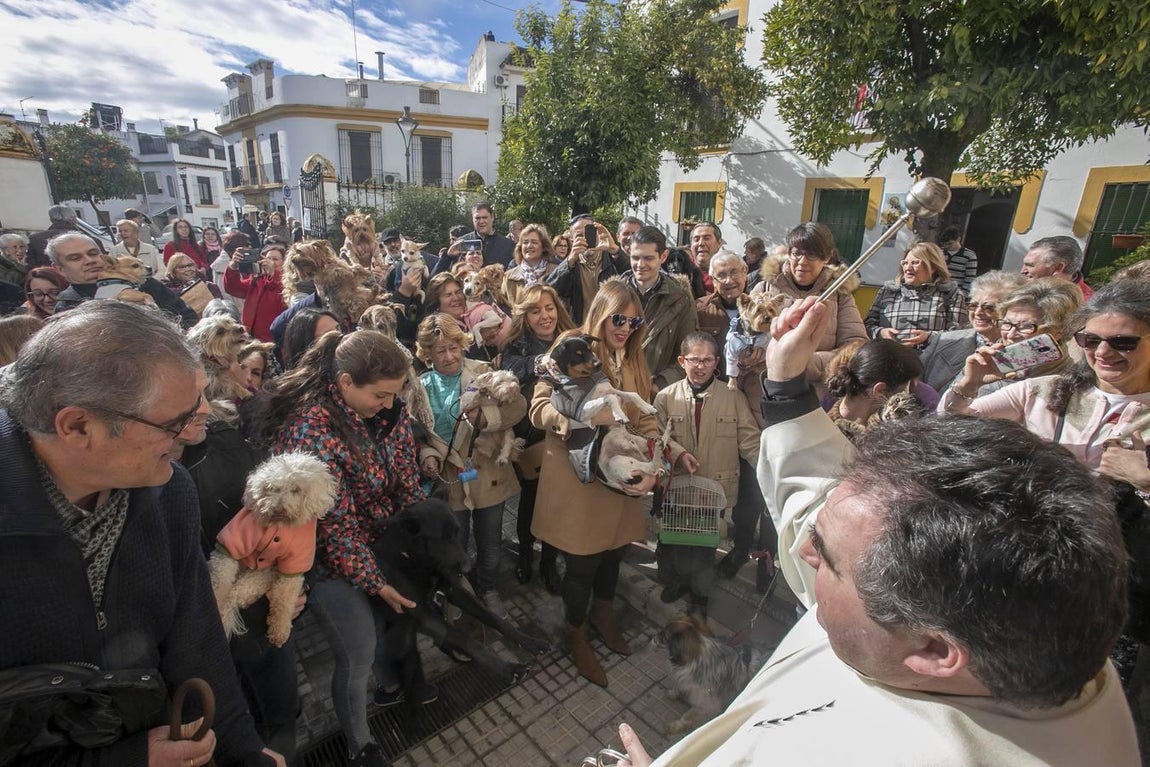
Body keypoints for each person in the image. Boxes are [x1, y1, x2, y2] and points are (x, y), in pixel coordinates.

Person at [615, 294, 1137, 766]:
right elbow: (821, 502)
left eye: (828, 557)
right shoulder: (946, 613)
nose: (799, 549)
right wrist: (785, 382)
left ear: (934, 651)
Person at [0, 300, 285, 766]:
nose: (202, 419)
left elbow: (197, 644)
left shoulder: (168, 492)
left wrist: (245, 754)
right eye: (176, 419)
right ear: (77, 426)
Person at [256, 329, 432, 767]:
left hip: (376, 538)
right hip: (324, 561)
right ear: (345, 383)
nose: (389, 405)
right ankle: (360, 745)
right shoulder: (311, 431)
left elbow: (406, 471)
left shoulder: (385, 410)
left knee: (385, 625)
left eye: (396, 394)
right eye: (381, 395)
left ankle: (390, 686)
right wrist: (375, 581)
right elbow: (334, 528)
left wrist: (417, 531)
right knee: (356, 648)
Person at [530, 280, 662, 687]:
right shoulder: (571, 345)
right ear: (601, 313)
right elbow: (538, 407)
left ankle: (603, 617)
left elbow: (645, 417)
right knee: (582, 564)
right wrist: (578, 422)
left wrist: (655, 458)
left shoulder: (635, 358)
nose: (624, 328)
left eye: (632, 321)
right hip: (579, 479)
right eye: (617, 318)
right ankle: (576, 632)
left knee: (613, 554)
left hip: (619, 480)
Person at [415, 314, 525, 619]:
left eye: (454, 347)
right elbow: (417, 433)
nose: (449, 356)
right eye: (440, 350)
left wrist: (489, 421)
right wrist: (426, 455)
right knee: (455, 545)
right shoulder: (418, 387)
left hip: (487, 470)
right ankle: (458, 594)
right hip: (449, 478)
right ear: (427, 354)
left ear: (463, 345)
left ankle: (487, 588)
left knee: (491, 545)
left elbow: (519, 406)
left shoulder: (483, 372)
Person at [654, 332, 759, 618]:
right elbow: (656, 439)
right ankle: (676, 582)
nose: (700, 366)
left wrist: (768, 469)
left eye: (707, 360)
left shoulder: (733, 397)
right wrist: (677, 453)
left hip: (715, 489)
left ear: (717, 363)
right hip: (677, 487)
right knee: (675, 539)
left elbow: (750, 441)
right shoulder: (665, 397)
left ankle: (700, 598)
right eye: (694, 360)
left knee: (705, 547)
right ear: (681, 361)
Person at [499, 284, 576, 591]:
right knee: (531, 499)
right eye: (535, 310)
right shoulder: (518, 344)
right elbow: (509, 369)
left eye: (549, 308)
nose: (544, 316)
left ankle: (549, 563)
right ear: (525, 316)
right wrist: (537, 363)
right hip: (531, 436)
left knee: (558, 502)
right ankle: (525, 556)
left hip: (565, 433)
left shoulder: (571, 338)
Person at [751, 223, 867, 394]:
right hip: (765, 389)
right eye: (797, 253)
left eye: (812, 255)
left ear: (827, 257)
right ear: (789, 253)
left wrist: (808, 362)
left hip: (814, 393)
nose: (802, 261)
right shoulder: (764, 288)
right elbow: (743, 332)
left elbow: (855, 347)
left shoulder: (840, 295)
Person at [941, 277, 1080, 398]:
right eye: (1007, 323)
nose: (1011, 335)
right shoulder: (986, 360)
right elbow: (945, 415)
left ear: (1057, 332)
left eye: (1025, 326)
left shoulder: (1067, 381)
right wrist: (968, 385)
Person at [52, 233, 198, 329]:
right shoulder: (67, 305)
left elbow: (188, 318)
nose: (89, 261)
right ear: (60, 269)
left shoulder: (145, 283)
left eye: (93, 253)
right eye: (76, 258)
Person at [917, 270, 1026, 391]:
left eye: (989, 307)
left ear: (1013, 310)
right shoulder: (943, 341)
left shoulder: (1021, 353)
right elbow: (911, 384)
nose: (978, 312)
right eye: (973, 305)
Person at [626, 226, 698, 389]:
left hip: (657, 394)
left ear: (663, 256)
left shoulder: (681, 300)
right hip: (615, 390)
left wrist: (659, 384)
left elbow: (689, 354)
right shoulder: (612, 295)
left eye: (648, 258)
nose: (640, 265)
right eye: (635, 257)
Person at [864, 240, 969, 345]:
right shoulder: (888, 291)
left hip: (931, 359)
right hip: (890, 357)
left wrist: (929, 337)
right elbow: (867, 326)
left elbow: (958, 334)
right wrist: (881, 332)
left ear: (932, 267)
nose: (908, 268)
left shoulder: (951, 293)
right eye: (905, 263)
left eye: (915, 263)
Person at [822, 339, 926, 437]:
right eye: (906, 390)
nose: (909, 395)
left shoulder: (823, 424)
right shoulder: (835, 438)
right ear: (880, 391)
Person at [546, 215, 628, 324]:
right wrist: (568, 262)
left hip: (609, 329)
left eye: (589, 232)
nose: (585, 238)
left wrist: (614, 250)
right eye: (580, 235)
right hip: (580, 330)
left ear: (598, 233)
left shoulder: (613, 260)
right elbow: (550, 291)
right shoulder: (571, 266)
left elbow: (633, 277)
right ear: (572, 240)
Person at [223, 241, 289, 342]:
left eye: (275, 259)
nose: (270, 262)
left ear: (284, 263)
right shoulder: (257, 280)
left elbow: (287, 293)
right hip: (253, 337)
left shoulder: (288, 282)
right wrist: (233, 266)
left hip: (277, 338)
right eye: (268, 258)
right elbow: (232, 288)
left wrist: (274, 273)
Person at [26, 204, 104, 268]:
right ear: (73, 219)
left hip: (47, 282)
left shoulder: (36, 239)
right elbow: (104, 263)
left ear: (51, 219)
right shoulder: (90, 240)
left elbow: (31, 265)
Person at [1021, 235, 1094, 299]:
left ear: (1058, 267)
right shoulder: (1023, 287)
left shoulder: (1084, 308)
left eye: (1030, 265)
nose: (1023, 271)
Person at [502, 223, 557, 307]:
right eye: (525, 242)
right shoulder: (509, 277)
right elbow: (503, 308)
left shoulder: (556, 272)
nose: (529, 246)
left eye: (534, 242)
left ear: (544, 247)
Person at [461, 202, 514, 267]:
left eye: (485, 217)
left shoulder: (508, 245)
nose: (481, 221)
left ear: (492, 217)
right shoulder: (462, 242)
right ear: (472, 219)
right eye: (477, 218)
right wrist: (450, 256)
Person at [938, 224, 978, 297]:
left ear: (958, 239)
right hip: (938, 291)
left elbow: (970, 278)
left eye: (950, 243)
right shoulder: (940, 252)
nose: (947, 246)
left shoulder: (969, 255)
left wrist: (963, 295)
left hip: (957, 294)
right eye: (944, 244)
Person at [688, 222, 723, 293]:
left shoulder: (728, 273)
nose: (701, 243)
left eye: (706, 238)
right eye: (696, 239)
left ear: (719, 243)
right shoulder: (681, 270)